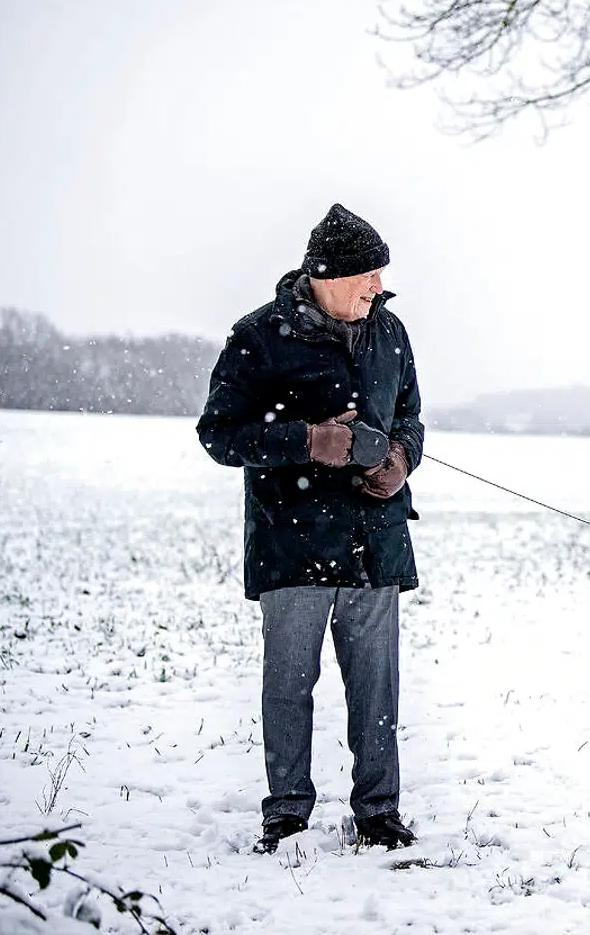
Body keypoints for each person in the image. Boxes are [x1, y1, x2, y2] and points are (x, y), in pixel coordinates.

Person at [197, 203, 424, 854]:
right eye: (370, 276)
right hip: (291, 541)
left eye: (380, 277)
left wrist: (400, 462)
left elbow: (411, 417)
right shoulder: (259, 336)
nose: (378, 288)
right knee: (290, 686)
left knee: (377, 686)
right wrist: (311, 440)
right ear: (332, 274)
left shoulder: (392, 333)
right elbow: (220, 434)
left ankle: (379, 812)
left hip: (375, 542)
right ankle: (287, 811)